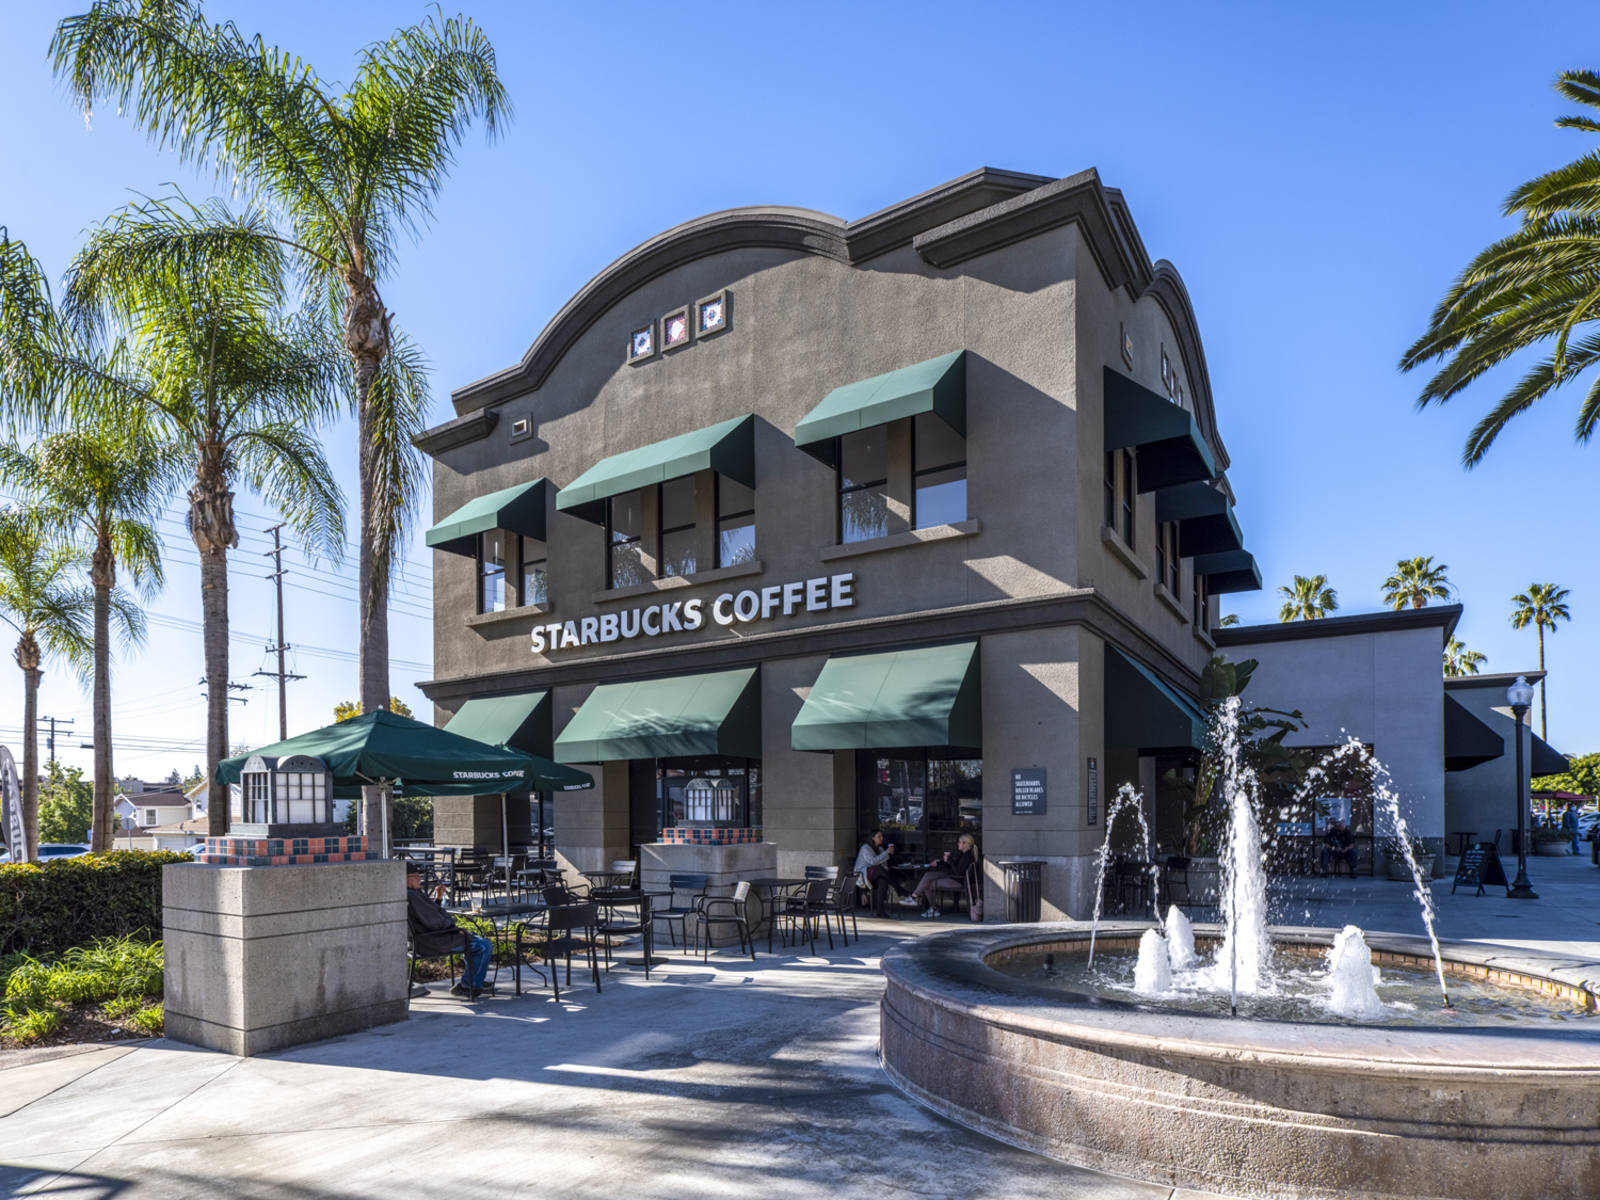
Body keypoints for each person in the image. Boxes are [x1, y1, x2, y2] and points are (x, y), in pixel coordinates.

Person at [406, 863, 493, 998]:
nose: (419, 879)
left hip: (433, 937)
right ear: (405, 879)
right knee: (483, 945)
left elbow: (430, 914)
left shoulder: (414, 893)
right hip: (433, 941)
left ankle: (475, 980)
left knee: (477, 940)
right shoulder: (411, 895)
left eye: (419, 876)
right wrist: (453, 928)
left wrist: (438, 897)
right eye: (415, 877)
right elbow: (434, 922)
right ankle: (469, 985)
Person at [907, 833, 978, 919]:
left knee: (927, 884)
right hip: (952, 876)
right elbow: (954, 867)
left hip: (957, 880)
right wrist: (941, 862)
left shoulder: (967, 856)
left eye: (959, 842)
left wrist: (949, 860)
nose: (958, 844)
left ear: (966, 844)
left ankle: (933, 908)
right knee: (928, 875)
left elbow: (958, 873)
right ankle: (914, 897)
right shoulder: (963, 854)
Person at [853, 828, 901, 917]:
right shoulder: (865, 848)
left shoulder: (880, 848)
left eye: (882, 836)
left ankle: (880, 910)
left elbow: (883, 863)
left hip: (874, 875)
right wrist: (887, 852)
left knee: (883, 880)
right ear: (873, 838)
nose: (881, 838)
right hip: (862, 875)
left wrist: (886, 864)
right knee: (878, 869)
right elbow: (873, 862)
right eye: (879, 836)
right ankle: (898, 888)